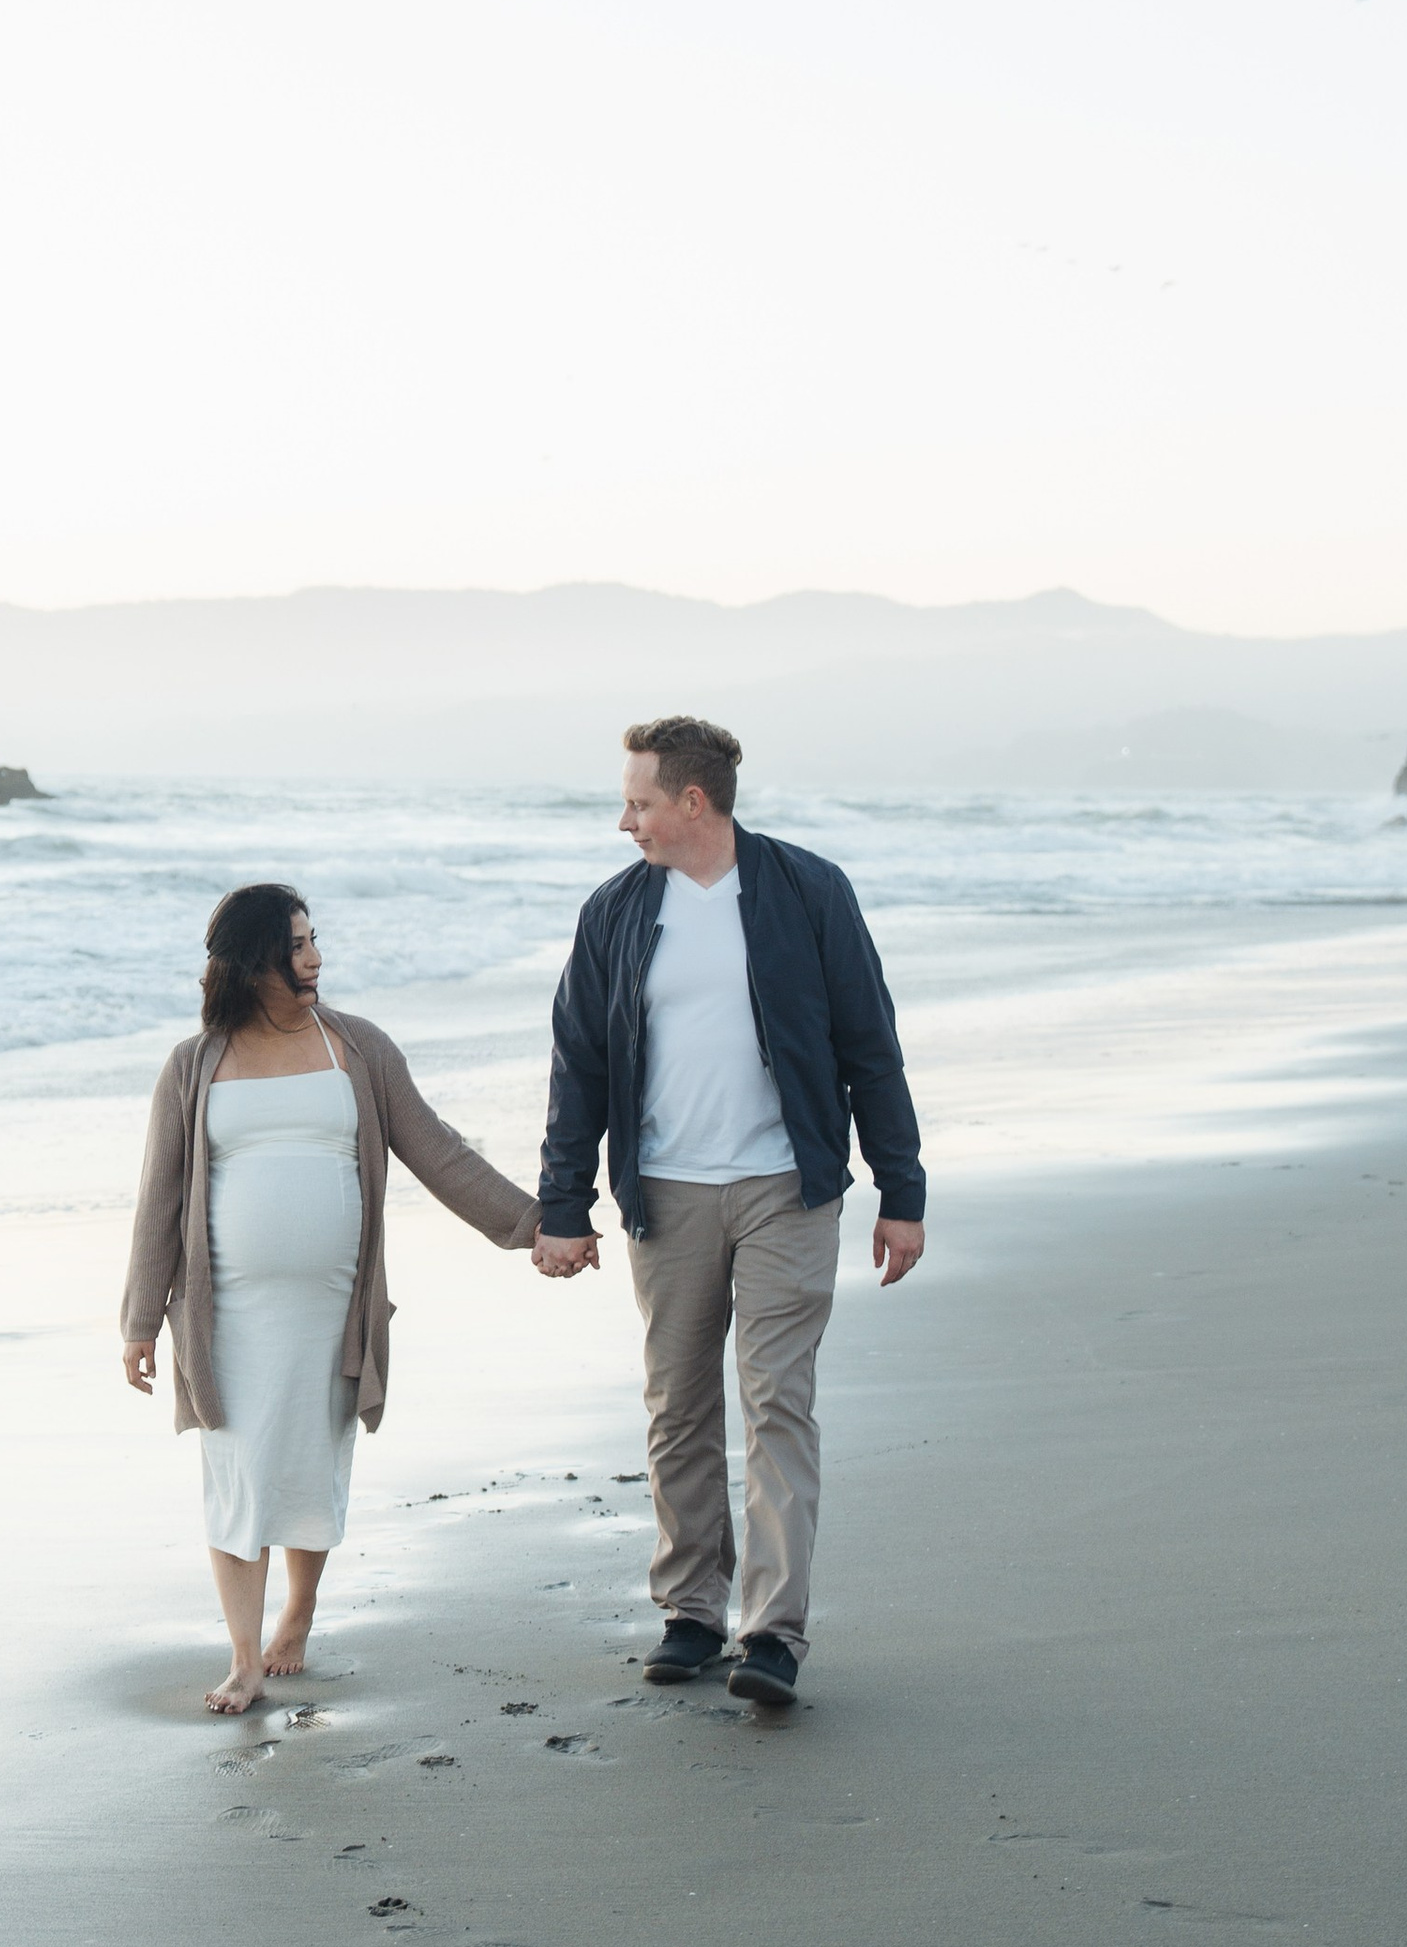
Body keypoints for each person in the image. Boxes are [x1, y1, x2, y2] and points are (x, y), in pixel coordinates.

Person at [533, 716, 926, 1710]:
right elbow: (577, 1064)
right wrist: (562, 1203)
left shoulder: (807, 892)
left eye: (638, 801)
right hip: (664, 1192)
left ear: (692, 804)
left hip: (785, 1187)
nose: (626, 820)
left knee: (776, 1402)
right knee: (678, 1407)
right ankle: (691, 1610)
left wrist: (900, 1189)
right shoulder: (615, 913)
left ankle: (773, 1633)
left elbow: (867, 1042)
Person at [124, 882, 544, 1715]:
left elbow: (440, 1154)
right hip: (226, 1315)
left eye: (316, 941)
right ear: (252, 962)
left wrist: (538, 1224)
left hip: (331, 1310)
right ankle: (242, 1658)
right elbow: (159, 1198)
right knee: (236, 1471)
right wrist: (140, 1320)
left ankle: (299, 1612)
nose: (314, 958)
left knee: (312, 1466)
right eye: (296, 945)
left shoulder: (356, 1048)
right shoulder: (193, 1063)